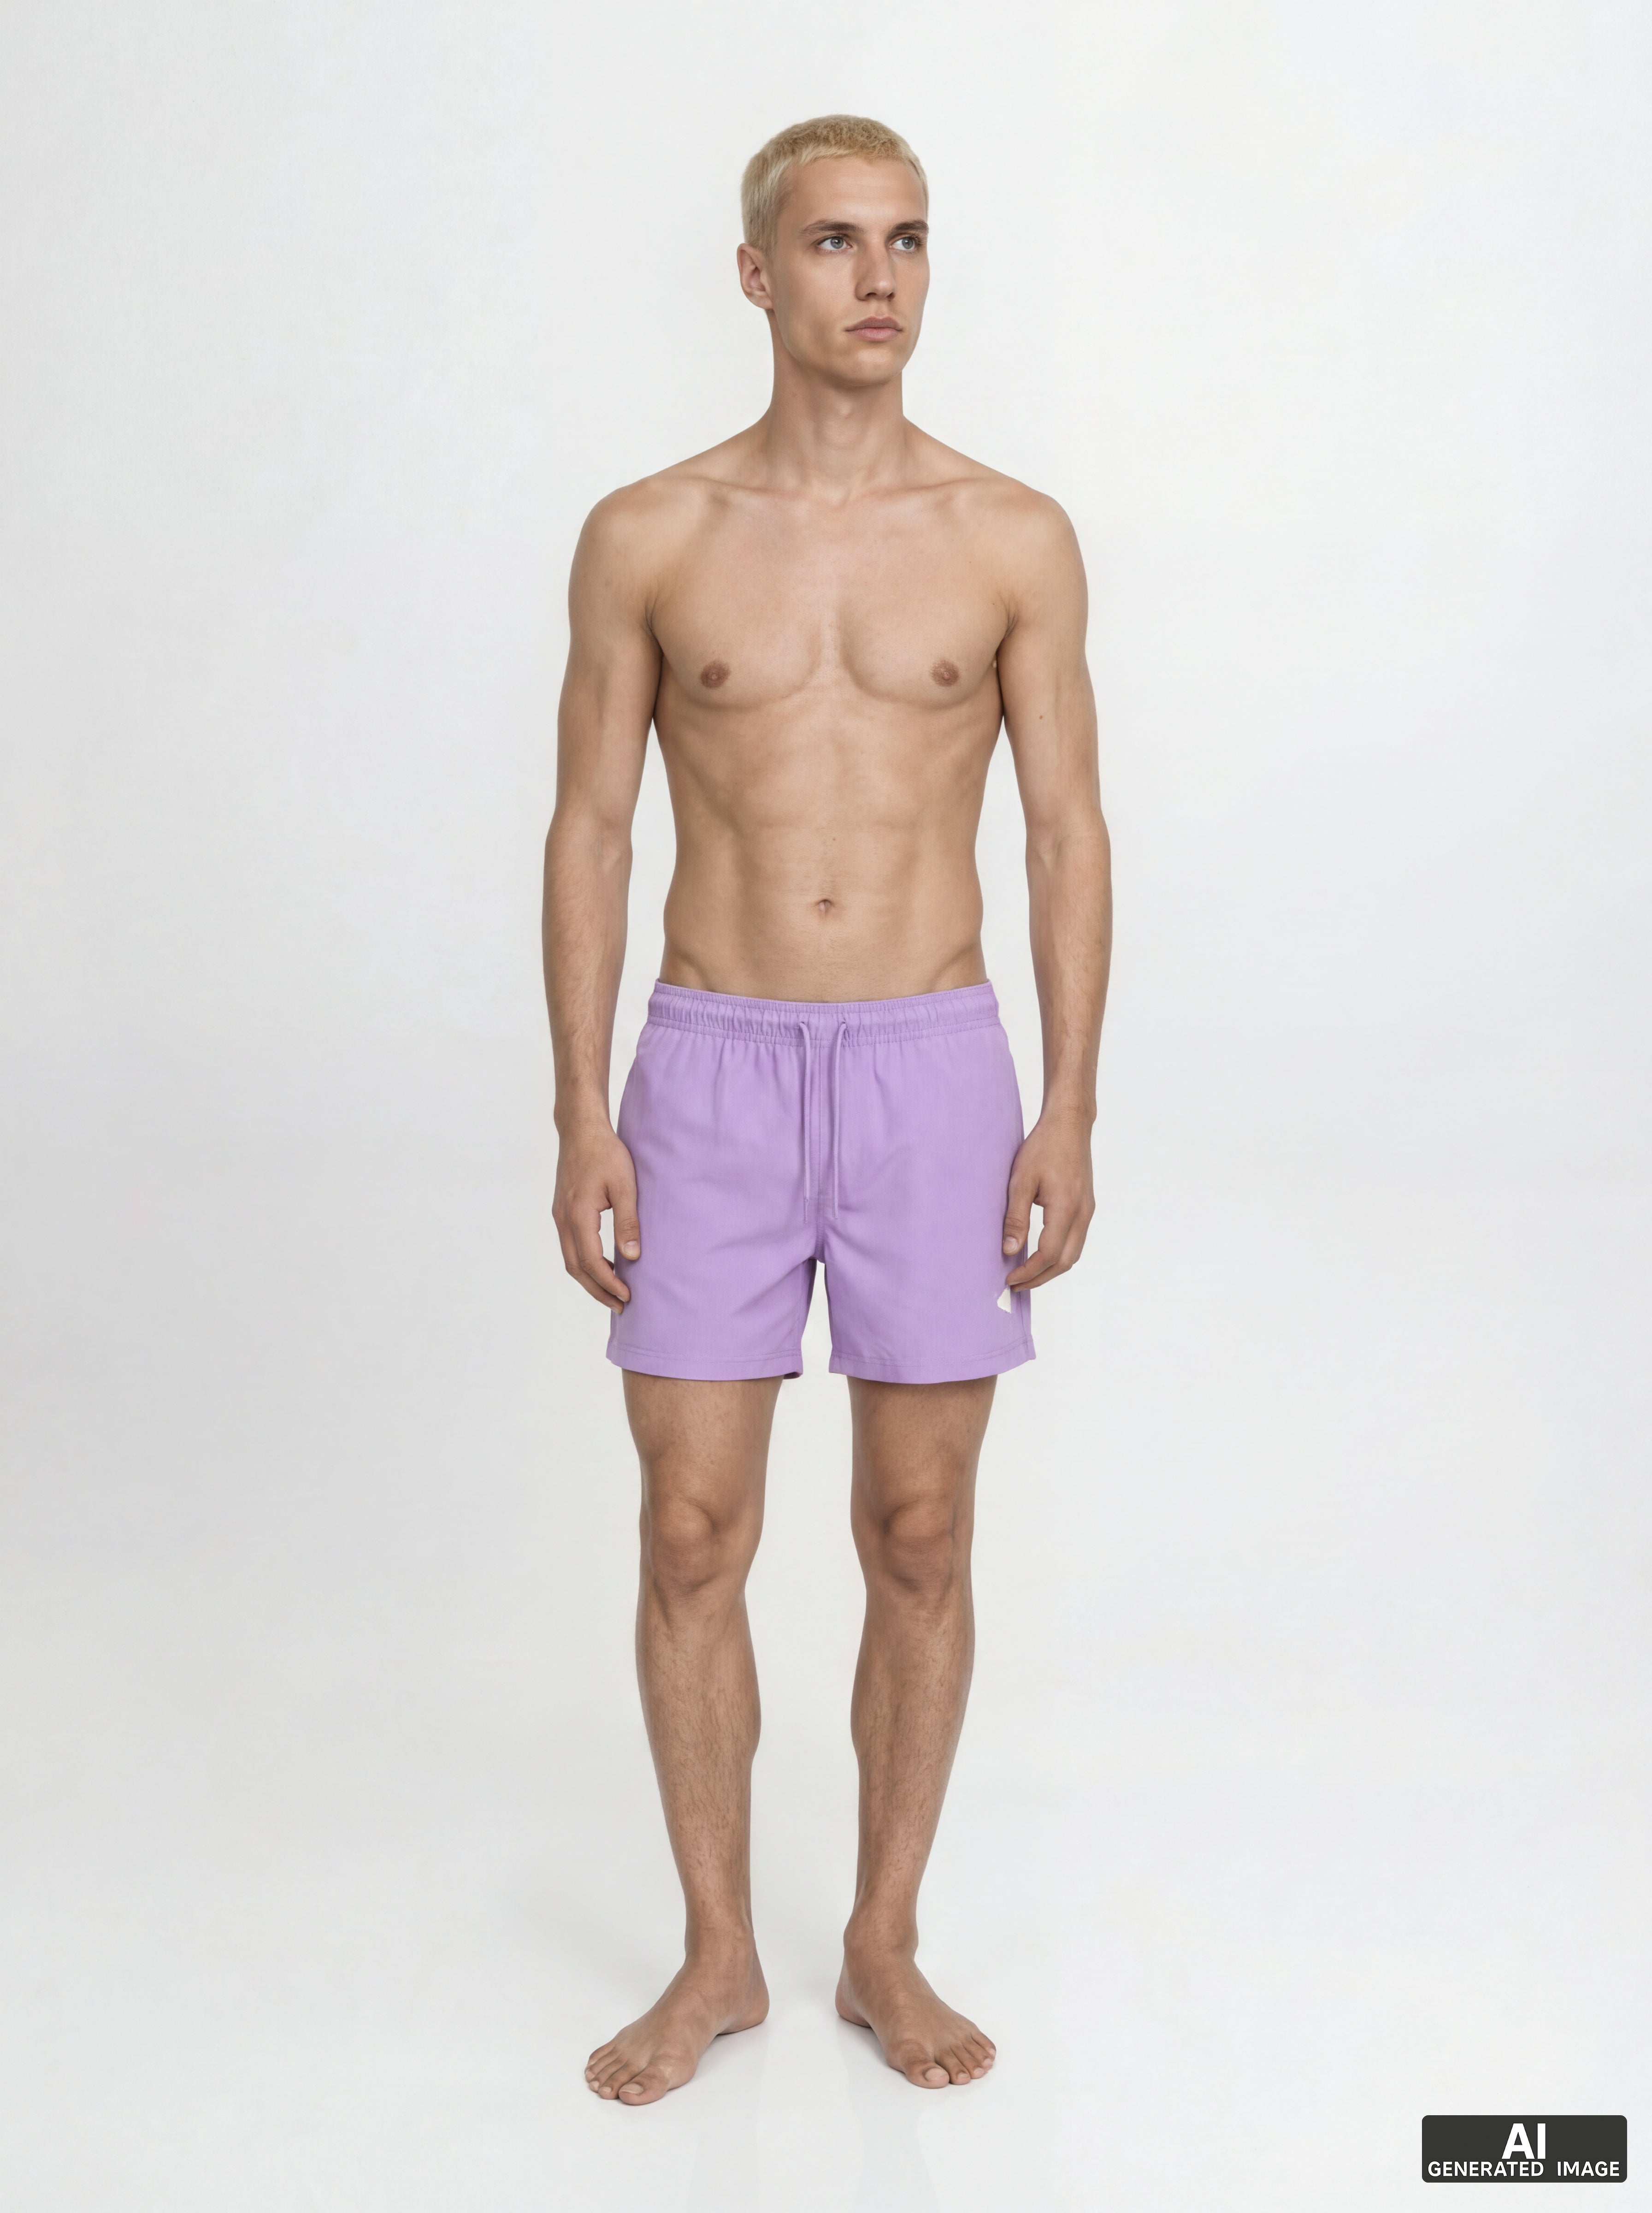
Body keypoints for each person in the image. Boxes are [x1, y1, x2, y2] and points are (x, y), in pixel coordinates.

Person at [543, 113, 1111, 2105]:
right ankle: (716, 1954)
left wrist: (1069, 1105)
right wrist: (579, 1109)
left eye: (908, 241)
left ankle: (881, 1937)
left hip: (931, 1070)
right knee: (691, 1526)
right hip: (707, 1070)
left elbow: (1065, 831)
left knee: (920, 1530)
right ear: (755, 274)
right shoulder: (650, 533)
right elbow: (591, 827)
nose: (879, 279)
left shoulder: (1011, 535)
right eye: (835, 242)